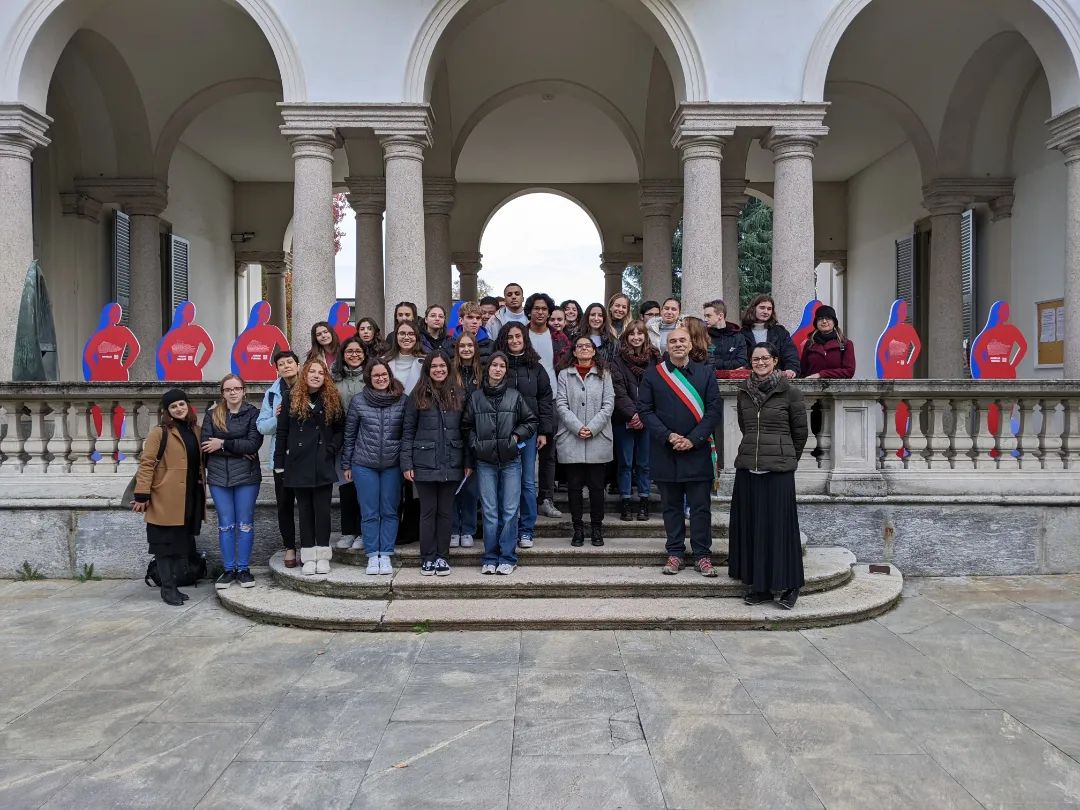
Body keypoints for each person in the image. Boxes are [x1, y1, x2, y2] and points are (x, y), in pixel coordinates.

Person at [638, 328, 722, 577]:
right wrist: (668, 436)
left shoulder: (706, 373)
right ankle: (674, 553)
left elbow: (714, 411)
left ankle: (702, 555)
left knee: (700, 508)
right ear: (666, 346)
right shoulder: (653, 375)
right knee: (671, 508)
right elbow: (645, 410)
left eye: (682, 340)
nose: (677, 344)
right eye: (672, 341)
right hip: (666, 450)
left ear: (690, 344)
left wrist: (693, 439)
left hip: (697, 451)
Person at [729, 342, 808, 609]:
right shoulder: (744, 393)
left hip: (779, 471)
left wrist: (787, 459)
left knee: (781, 529)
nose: (760, 363)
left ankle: (790, 585)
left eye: (765, 358)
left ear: (775, 361)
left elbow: (800, 433)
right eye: (755, 359)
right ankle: (760, 586)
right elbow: (745, 427)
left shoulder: (790, 392)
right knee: (755, 528)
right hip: (749, 467)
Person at [463, 351, 538, 575]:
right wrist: (476, 444)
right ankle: (490, 556)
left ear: (506, 370)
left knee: (510, 509)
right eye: (494, 365)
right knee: (490, 511)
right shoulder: (476, 397)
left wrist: (515, 437)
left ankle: (507, 556)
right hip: (485, 461)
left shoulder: (514, 396)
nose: (498, 369)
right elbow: (466, 426)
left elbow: (531, 420)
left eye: (502, 366)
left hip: (511, 460)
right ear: (488, 369)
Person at [132, 389, 205, 605]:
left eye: (181, 404)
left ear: (188, 405)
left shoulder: (195, 430)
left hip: (187, 497)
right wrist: (142, 494)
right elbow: (146, 463)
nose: (179, 409)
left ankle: (174, 583)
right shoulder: (159, 432)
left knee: (180, 545)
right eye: (173, 406)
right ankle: (167, 588)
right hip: (164, 497)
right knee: (164, 545)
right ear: (167, 411)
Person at [274, 358, 345, 578]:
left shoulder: (331, 399)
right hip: (297, 462)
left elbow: (340, 429)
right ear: (304, 375)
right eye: (311, 372)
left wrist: (331, 449)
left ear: (326, 377)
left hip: (322, 461)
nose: (315, 375)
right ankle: (308, 555)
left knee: (322, 511)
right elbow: (282, 432)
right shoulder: (291, 397)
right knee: (304, 512)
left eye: (320, 372)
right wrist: (279, 463)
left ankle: (322, 555)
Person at [402, 352, 467, 575]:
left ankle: (442, 557)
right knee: (428, 512)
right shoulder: (417, 395)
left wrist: (467, 461)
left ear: (448, 369)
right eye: (434, 366)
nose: (438, 370)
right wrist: (407, 463)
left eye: (442, 366)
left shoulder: (458, 394)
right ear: (427, 370)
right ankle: (427, 557)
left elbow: (466, 431)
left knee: (446, 512)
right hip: (424, 462)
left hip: (452, 461)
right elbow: (408, 431)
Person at [494, 322, 554, 549]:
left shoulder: (536, 368)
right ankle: (505, 528)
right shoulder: (498, 365)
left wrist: (544, 431)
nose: (514, 340)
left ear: (525, 338)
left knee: (528, 482)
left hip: (529, 433)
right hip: (503, 433)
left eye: (518, 336)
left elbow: (545, 400)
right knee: (505, 482)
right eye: (510, 337)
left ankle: (526, 530)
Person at [342, 361, 406, 575]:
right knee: (369, 512)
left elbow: (408, 434)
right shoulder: (359, 401)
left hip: (392, 465)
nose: (380, 378)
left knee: (389, 510)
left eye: (384, 374)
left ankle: (386, 554)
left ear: (389, 376)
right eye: (376, 375)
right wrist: (347, 463)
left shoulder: (402, 400)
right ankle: (372, 555)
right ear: (369, 378)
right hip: (363, 465)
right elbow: (349, 434)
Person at [202, 374, 263, 589]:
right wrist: (236, 448)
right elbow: (206, 445)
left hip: (247, 477)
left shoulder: (253, 413)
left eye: (237, 388)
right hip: (219, 478)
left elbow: (253, 445)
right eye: (228, 389)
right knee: (226, 525)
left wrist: (223, 445)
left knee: (245, 523)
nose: (233, 392)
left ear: (244, 391)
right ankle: (229, 570)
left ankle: (244, 569)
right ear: (223, 393)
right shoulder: (212, 415)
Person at [555, 336, 615, 546]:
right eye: (579, 346)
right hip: (572, 439)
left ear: (593, 350)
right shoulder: (564, 375)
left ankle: (597, 528)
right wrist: (578, 427)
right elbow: (561, 404)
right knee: (574, 487)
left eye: (587, 346)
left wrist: (592, 428)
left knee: (597, 487)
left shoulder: (604, 375)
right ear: (574, 351)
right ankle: (578, 528)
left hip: (598, 438)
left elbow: (608, 405)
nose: (583, 349)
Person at [524, 292, 568, 519]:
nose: (540, 312)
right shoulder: (519, 335)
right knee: (522, 451)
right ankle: (525, 498)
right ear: (529, 311)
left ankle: (546, 498)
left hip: (551, 400)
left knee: (549, 452)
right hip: (523, 400)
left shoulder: (560, 338)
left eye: (544, 309)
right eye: (536, 308)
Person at [611, 320, 659, 521]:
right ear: (626, 337)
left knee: (645, 463)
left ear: (645, 337)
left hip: (648, 420)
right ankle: (626, 501)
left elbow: (657, 390)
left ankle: (644, 501)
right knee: (625, 462)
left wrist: (644, 416)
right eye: (632, 334)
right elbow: (618, 391)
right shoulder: (617, 361)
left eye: (640, 334)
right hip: (624, 419)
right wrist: (633, 415)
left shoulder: (655, 360)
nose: (636, 337)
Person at [257, 349, 301, 567]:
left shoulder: (310, 386)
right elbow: (262, 426)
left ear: (298, 365)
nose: (286, 366)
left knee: (307, 504)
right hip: (281, 458)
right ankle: (290, 547)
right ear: (277, 369)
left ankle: (309, 545)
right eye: (281, 364)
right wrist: (277, 417)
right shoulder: (272, 393)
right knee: (284, 505)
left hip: (305, 457)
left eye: (290, 362)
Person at [332, 337, 367, 551]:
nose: (354, 354)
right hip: (342, 439)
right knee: (346, 487)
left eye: (358, 351)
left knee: (364, 487)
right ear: (342, 354)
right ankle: (347, 531)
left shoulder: (371, 376)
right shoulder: (334, 379)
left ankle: (363, 531)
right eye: (349, 351)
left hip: (366, 438)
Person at [449, 333, 483, 547]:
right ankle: (453, 528)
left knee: (471, 486)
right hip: (453, 432)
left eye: (470, 345)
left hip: (477, 433)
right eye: (462, 345)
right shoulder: (451, 373)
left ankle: (468, 528)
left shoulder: (482, 373)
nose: (466, 349)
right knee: (453, 483)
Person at [741, 294, 799, 377]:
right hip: (750, 378)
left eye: (769, 309)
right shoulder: (742, 333)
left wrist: (791, 369)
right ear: (753, 309)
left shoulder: (780, 332)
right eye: (762, 308)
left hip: (776, 379)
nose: (766, 311)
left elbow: (790, 354)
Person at [800, 305, 856, 379]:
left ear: (834, 322)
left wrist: (821, 375)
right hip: (812, 389)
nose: (824, 321)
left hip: (839, 389)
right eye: (820, 319)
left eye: (828, 318)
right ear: (816, 323)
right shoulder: (809, 344)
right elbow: (802, 371)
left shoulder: (846, 344)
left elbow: (849, 371)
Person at [705, 299, 750, 378]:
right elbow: (705, 362)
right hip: (710, 379)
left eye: (708, 316)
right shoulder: (704, 336)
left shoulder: (738, 336)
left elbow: (742, 361)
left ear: (720, 316)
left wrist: (716, 363)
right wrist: (731, 365)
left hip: (734, 382)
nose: (705, 319)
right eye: (705, 316)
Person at [382, 319, 425, 394]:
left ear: (416, 337)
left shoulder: (426, 362)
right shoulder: (383, 361)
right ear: (396, 337)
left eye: (411, 334)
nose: (406, 337)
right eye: (402, 333)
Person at [546, 307, 573, 372]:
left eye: (559, 319)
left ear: (565, 322)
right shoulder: (544, 338)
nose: (556, 322)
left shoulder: (571, 340)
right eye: (552, 320)